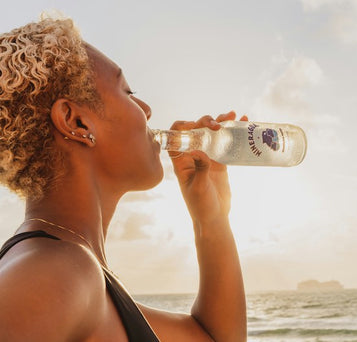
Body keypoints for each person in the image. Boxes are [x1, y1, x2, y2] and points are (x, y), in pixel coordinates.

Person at [0, 16, 246, 342]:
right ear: (76, 121)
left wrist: (211, 218)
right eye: (127, 91)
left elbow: (214, 338)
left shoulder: (79, 274)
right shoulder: (55, 271)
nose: (145, 109)